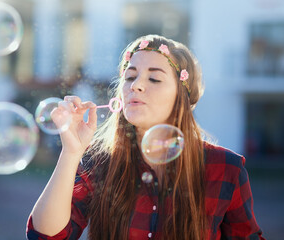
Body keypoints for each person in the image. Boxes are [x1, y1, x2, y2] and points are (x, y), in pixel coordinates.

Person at [26, 34, 265, 240]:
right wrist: (71, 152)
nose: (136, 86)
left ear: (181, 95)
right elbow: (46, 236)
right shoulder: (98, 161)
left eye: (154, 78)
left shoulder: (225, 169)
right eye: (130, 77)